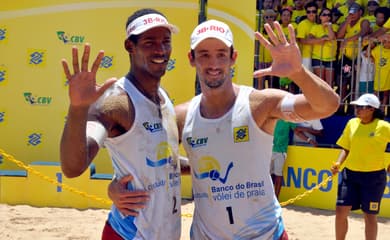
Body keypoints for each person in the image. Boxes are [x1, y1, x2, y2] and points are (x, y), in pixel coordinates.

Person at [109, 19, 340, 239]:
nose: (213, 64)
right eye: (204, 55)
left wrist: (298, 72)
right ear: (191, 59)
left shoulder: (260, 104)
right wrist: (115, 186)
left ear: (233, 58)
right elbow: (153, 159)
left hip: (265, 234)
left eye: (221, 54)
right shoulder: (182, 116)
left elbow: (327, 106)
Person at [59, 8, 182, 240]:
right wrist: (77, 109)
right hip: (130, 234)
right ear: (129, 46)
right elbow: (72, 167)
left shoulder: (163, 98)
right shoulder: (116, 103)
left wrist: (208, 166)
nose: (160, 49)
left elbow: (165, 163)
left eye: (166, 41)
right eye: (149, 42)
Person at [330, 93, 390, 240]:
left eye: (361, 107)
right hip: (350, 175)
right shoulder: (352, 123)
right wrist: (338, 163)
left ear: (372, 109)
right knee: (340, 212)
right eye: (356, 106)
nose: (357, 109)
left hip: (374, 177)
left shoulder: (384, 126)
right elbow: (346, 147)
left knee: (369, 216)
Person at [271, 119, 297, 199]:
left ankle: (276, 199)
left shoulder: (289, 118)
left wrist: (309, 140)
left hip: (280, 151)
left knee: (278, 175)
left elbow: (297, 130)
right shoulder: (271, 116)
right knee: (268, 175)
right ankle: (269, 199)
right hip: (268, 150)